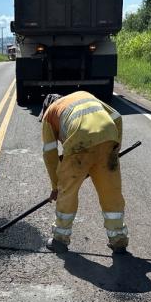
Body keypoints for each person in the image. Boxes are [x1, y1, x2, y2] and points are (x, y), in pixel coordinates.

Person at [39, 92, 129, 254]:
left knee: (68, 192)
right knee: (111, 192)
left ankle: (60, 239)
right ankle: (118, 239)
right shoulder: (84, 95)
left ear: (46, 106)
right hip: (108, 138)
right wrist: (115, 149)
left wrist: (56, 187)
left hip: (79, 143)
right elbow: (117, 116)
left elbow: (50, 154)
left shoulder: (49, 113)